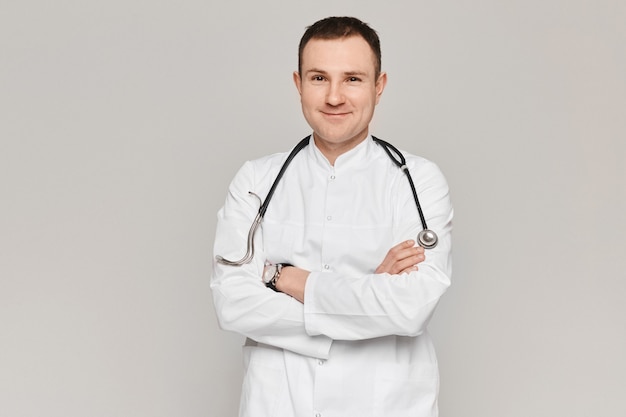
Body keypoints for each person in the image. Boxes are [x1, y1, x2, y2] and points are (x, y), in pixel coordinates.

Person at [211, 16, 453, 417]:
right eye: (319, 78)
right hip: (278, 403)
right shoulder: (257, 179)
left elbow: (410, 308)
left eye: (353, 79)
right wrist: (369, 291)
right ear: (298, 84)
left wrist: (285, 279)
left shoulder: (418, 181)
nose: (334, 97)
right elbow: (232, 304)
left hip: (386, 405)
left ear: (379, 86)